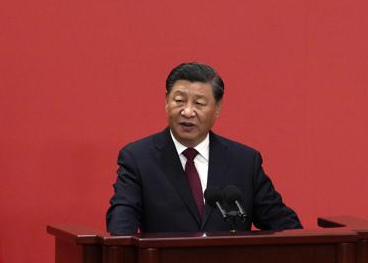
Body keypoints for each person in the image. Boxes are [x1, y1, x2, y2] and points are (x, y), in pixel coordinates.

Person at [106, 62, 302, 234]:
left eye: (199, 103)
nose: (188, 111)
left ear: (217, 108)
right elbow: (121, 224)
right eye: (179, 101)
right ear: (166, 102)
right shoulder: (138, 158)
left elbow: (282, 222)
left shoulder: (244, 161)